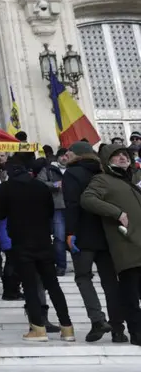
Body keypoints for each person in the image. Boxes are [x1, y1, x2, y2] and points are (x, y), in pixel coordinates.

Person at [0, 153, 74, 342]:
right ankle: (67, 328)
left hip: (22, 242)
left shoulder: (6, 188)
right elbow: (50, 211)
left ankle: (38, 328)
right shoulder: (40, 186)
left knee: (30, 285)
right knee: (53, 285)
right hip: (44, 241)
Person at [63, 141, 127, 343]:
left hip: (82, 235)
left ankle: (98, 320)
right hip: (106, 234)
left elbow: (73, 204)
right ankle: (118, 329)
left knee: (83, 277)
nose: (67, 156)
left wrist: (70, 232)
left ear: (77, 155)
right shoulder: (104, 172)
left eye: (70, 153)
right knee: (110, 283)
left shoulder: (72, 174)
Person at [81, 144, 141, 346]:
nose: (123, 158)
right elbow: (87, 199)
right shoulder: (102, 179)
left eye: (125, 155)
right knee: (131, 296)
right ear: (107, 161)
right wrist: (117, 212)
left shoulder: (131, 180)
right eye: (117, 156)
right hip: (127, 247)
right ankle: (137, 334)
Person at [38, 153, 68, 276]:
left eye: (67, 155)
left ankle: (81, 266)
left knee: (77, 236)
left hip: (73, 207)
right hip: (58, 207)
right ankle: (61, 266)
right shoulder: (48, 170)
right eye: (62, 155)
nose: (64, 158)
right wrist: (55, 185)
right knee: (59, 237)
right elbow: (40, 183)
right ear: (57, 157)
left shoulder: (74, 169)